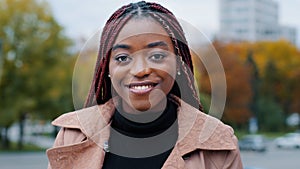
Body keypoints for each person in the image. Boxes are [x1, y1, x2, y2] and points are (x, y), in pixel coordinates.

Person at [46, 1, 243, 169]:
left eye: (157, 56)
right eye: (123, 58)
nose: (140, 70)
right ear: (107, 68)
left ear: (179, 64)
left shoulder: (219, 144)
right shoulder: (72, 136)